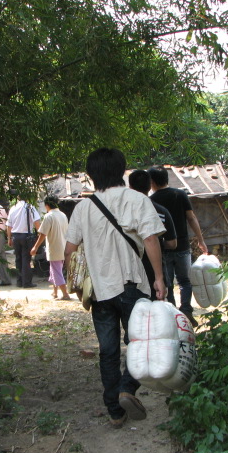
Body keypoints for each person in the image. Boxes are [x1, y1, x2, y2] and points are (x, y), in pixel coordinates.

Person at [65, 148, 166, 429]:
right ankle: (127, 388)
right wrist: (159, 278)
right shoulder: (138, 199)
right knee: (140, 342)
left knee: (107, 351)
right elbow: (151, 240)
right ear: (122, 170)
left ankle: (115, 412)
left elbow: (70, 250)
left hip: (99, 290)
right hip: (133, 284)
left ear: (91, 175)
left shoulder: (83, 208)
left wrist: (77, 285)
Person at [148, 166, 208, 327]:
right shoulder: (180, 194)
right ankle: (186, 310)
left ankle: (174, 314)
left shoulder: (152, 200)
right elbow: (191, 217)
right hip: (183, 247)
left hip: (164, 248)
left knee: (167, 283)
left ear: (152, 182)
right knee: (185, 281)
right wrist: (201, 240)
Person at [128, 169, 177, 300]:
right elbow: (172, 243)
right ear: (150, 186)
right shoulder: (161, 211)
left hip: (130, 272)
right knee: (158, 309)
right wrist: (158, 245)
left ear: (130, 187)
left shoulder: (124, 213)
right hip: (155, 271)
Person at [30, 195, 70, 300]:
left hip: (54, 248)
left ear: (47, 205)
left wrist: (35, 247)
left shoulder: (49, 216)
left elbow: (43, 234)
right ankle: (55, 292)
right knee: (54, 270)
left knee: (56, 271)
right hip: (63, 247)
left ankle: (65, 294)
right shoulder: (63, 215)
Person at [6, 193, 41, 288]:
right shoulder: (30, 207)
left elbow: (9, 225)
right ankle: (27, 282)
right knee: (26, 259)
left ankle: (19, 281)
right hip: (26, 236)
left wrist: (9, 238)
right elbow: (36, 221)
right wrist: (40, 233)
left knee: (18, 259)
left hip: (15, 236)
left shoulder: (13, 208)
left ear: (18, 198)